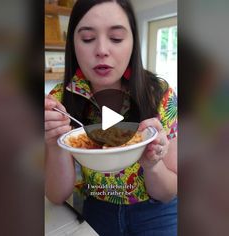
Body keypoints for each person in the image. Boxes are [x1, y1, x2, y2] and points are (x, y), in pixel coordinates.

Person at [45, 0, 177, 235]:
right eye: (87, 38)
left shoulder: (160, 94)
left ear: (133, 42)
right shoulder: (60, 102)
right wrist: (53, 142)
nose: (102, 50)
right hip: (98, 208)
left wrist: (153, 164)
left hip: (156, 210)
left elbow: (169, 192)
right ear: (73, 44)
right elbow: (57, 195)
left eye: (116, 38)